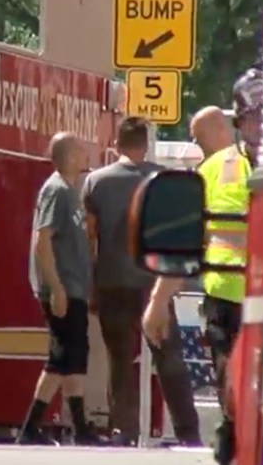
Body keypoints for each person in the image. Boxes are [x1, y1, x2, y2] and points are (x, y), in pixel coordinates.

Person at [143, 66, 263, 465]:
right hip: (226, 304)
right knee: (234, 400)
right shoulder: (213, 170)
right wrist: (158, 304)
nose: (259, 126)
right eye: (253, 117)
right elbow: (185, 244)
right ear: (239, 120)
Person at [81, 116, 201, 447]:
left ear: (116, 143)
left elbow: (90, 238)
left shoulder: (95, 182)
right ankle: (188, 432)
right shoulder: (164, 179)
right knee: (169, 357)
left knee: (119, 359)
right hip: (154, 285)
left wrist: (92, 286)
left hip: (112, 282)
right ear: (145, 144)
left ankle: (125, 430)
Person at [17, 131, 100, 445]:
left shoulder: (70, 190)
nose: (86, 154)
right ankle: (31, 428)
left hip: (75, 287)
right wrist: (56, 287)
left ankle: (79, 428)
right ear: (68, 156)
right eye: (81, 150)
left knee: (73, 358)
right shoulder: (56, 191)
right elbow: (43, 240)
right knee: (61, 358)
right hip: (64, 288)